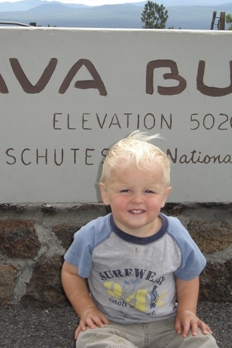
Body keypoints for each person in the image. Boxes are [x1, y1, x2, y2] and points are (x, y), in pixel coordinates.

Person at [61, 131, 218, 348]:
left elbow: (188, 275)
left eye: (149, 191)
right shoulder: (92, 235)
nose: (137, 199)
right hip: (112, 326)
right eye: (125, 190)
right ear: (105, 194)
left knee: (202, 341)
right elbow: (70, 272)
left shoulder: (176, 235)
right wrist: (87, 310)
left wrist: (187, 311)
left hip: (167, 324)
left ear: (164, 196)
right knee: (92, 340)